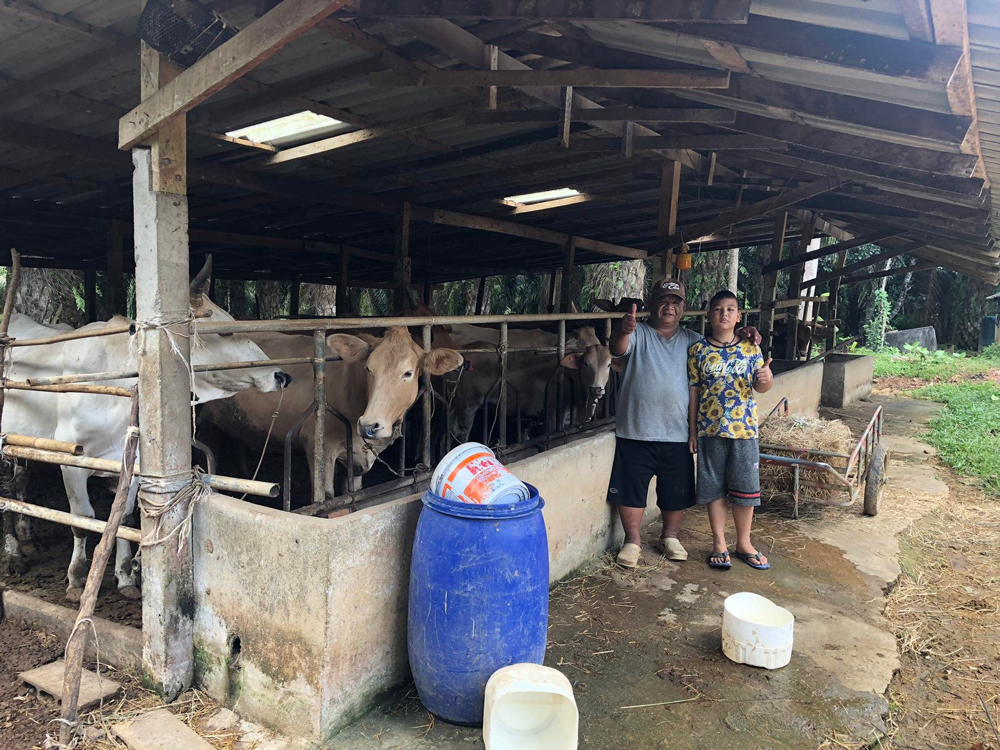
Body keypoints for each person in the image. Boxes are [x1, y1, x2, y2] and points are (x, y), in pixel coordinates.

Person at [607, 279, 759, 569]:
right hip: (636, 429)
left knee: (675, 490)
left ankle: (670, 536)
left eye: (675, 302)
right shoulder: (638, 333)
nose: (669, 307)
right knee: (631, 488)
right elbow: (618, 348)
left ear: (684, 309)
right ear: (652, 305)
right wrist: (622, 329)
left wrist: (744, 332)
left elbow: (723, 341)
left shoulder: (693, 341)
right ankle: (633, 540)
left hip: (677, 433)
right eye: (664, 301)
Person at [687, 290, 774, 571]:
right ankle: (719, 543)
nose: (724, 314)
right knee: (713, 489)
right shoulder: (698, 351)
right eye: (718, 309)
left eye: (730, 309)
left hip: (745, 430)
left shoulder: (751, 348)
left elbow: (761, 387)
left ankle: (744, 543)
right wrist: (692, 431)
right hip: (710, 430)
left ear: (738, 316)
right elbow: (694, 394)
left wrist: (766, 378)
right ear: (709, 315)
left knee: (745, 489)